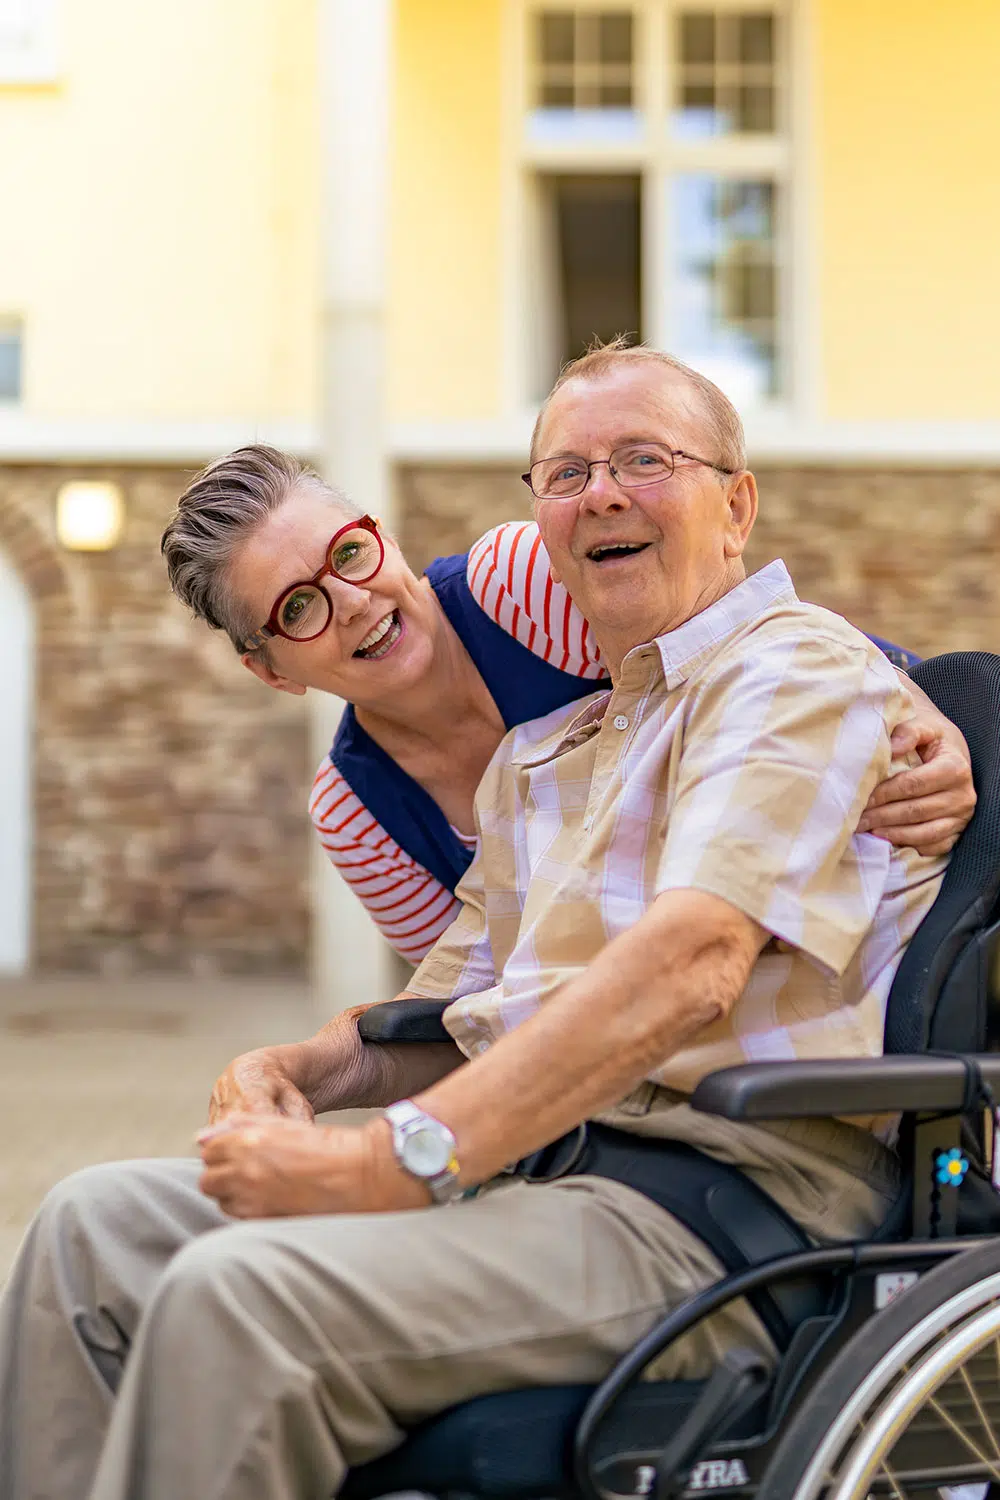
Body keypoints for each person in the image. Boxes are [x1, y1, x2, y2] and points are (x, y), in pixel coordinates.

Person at [0, 344, 956, 1500]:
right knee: (87, 1230)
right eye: (566, 475)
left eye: (643, 460)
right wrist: (286, 1067)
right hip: (541, 1172)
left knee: (239, 1299)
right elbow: (448, 1009)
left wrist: (398, 1163)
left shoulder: (786, 673)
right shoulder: (544, 759)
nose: (600, 493)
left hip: (712, 1194)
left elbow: (693, 962)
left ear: (736, 501)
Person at [161, 444, 974, 966]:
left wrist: (920, 704)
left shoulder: (515, 585)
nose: (352, 599)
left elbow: (751, 632)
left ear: (387, 538)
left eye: (349, 552)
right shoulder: (356, 816)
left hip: (808, 930)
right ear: (273, 673)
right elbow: (467, 1003)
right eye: (297, 608)